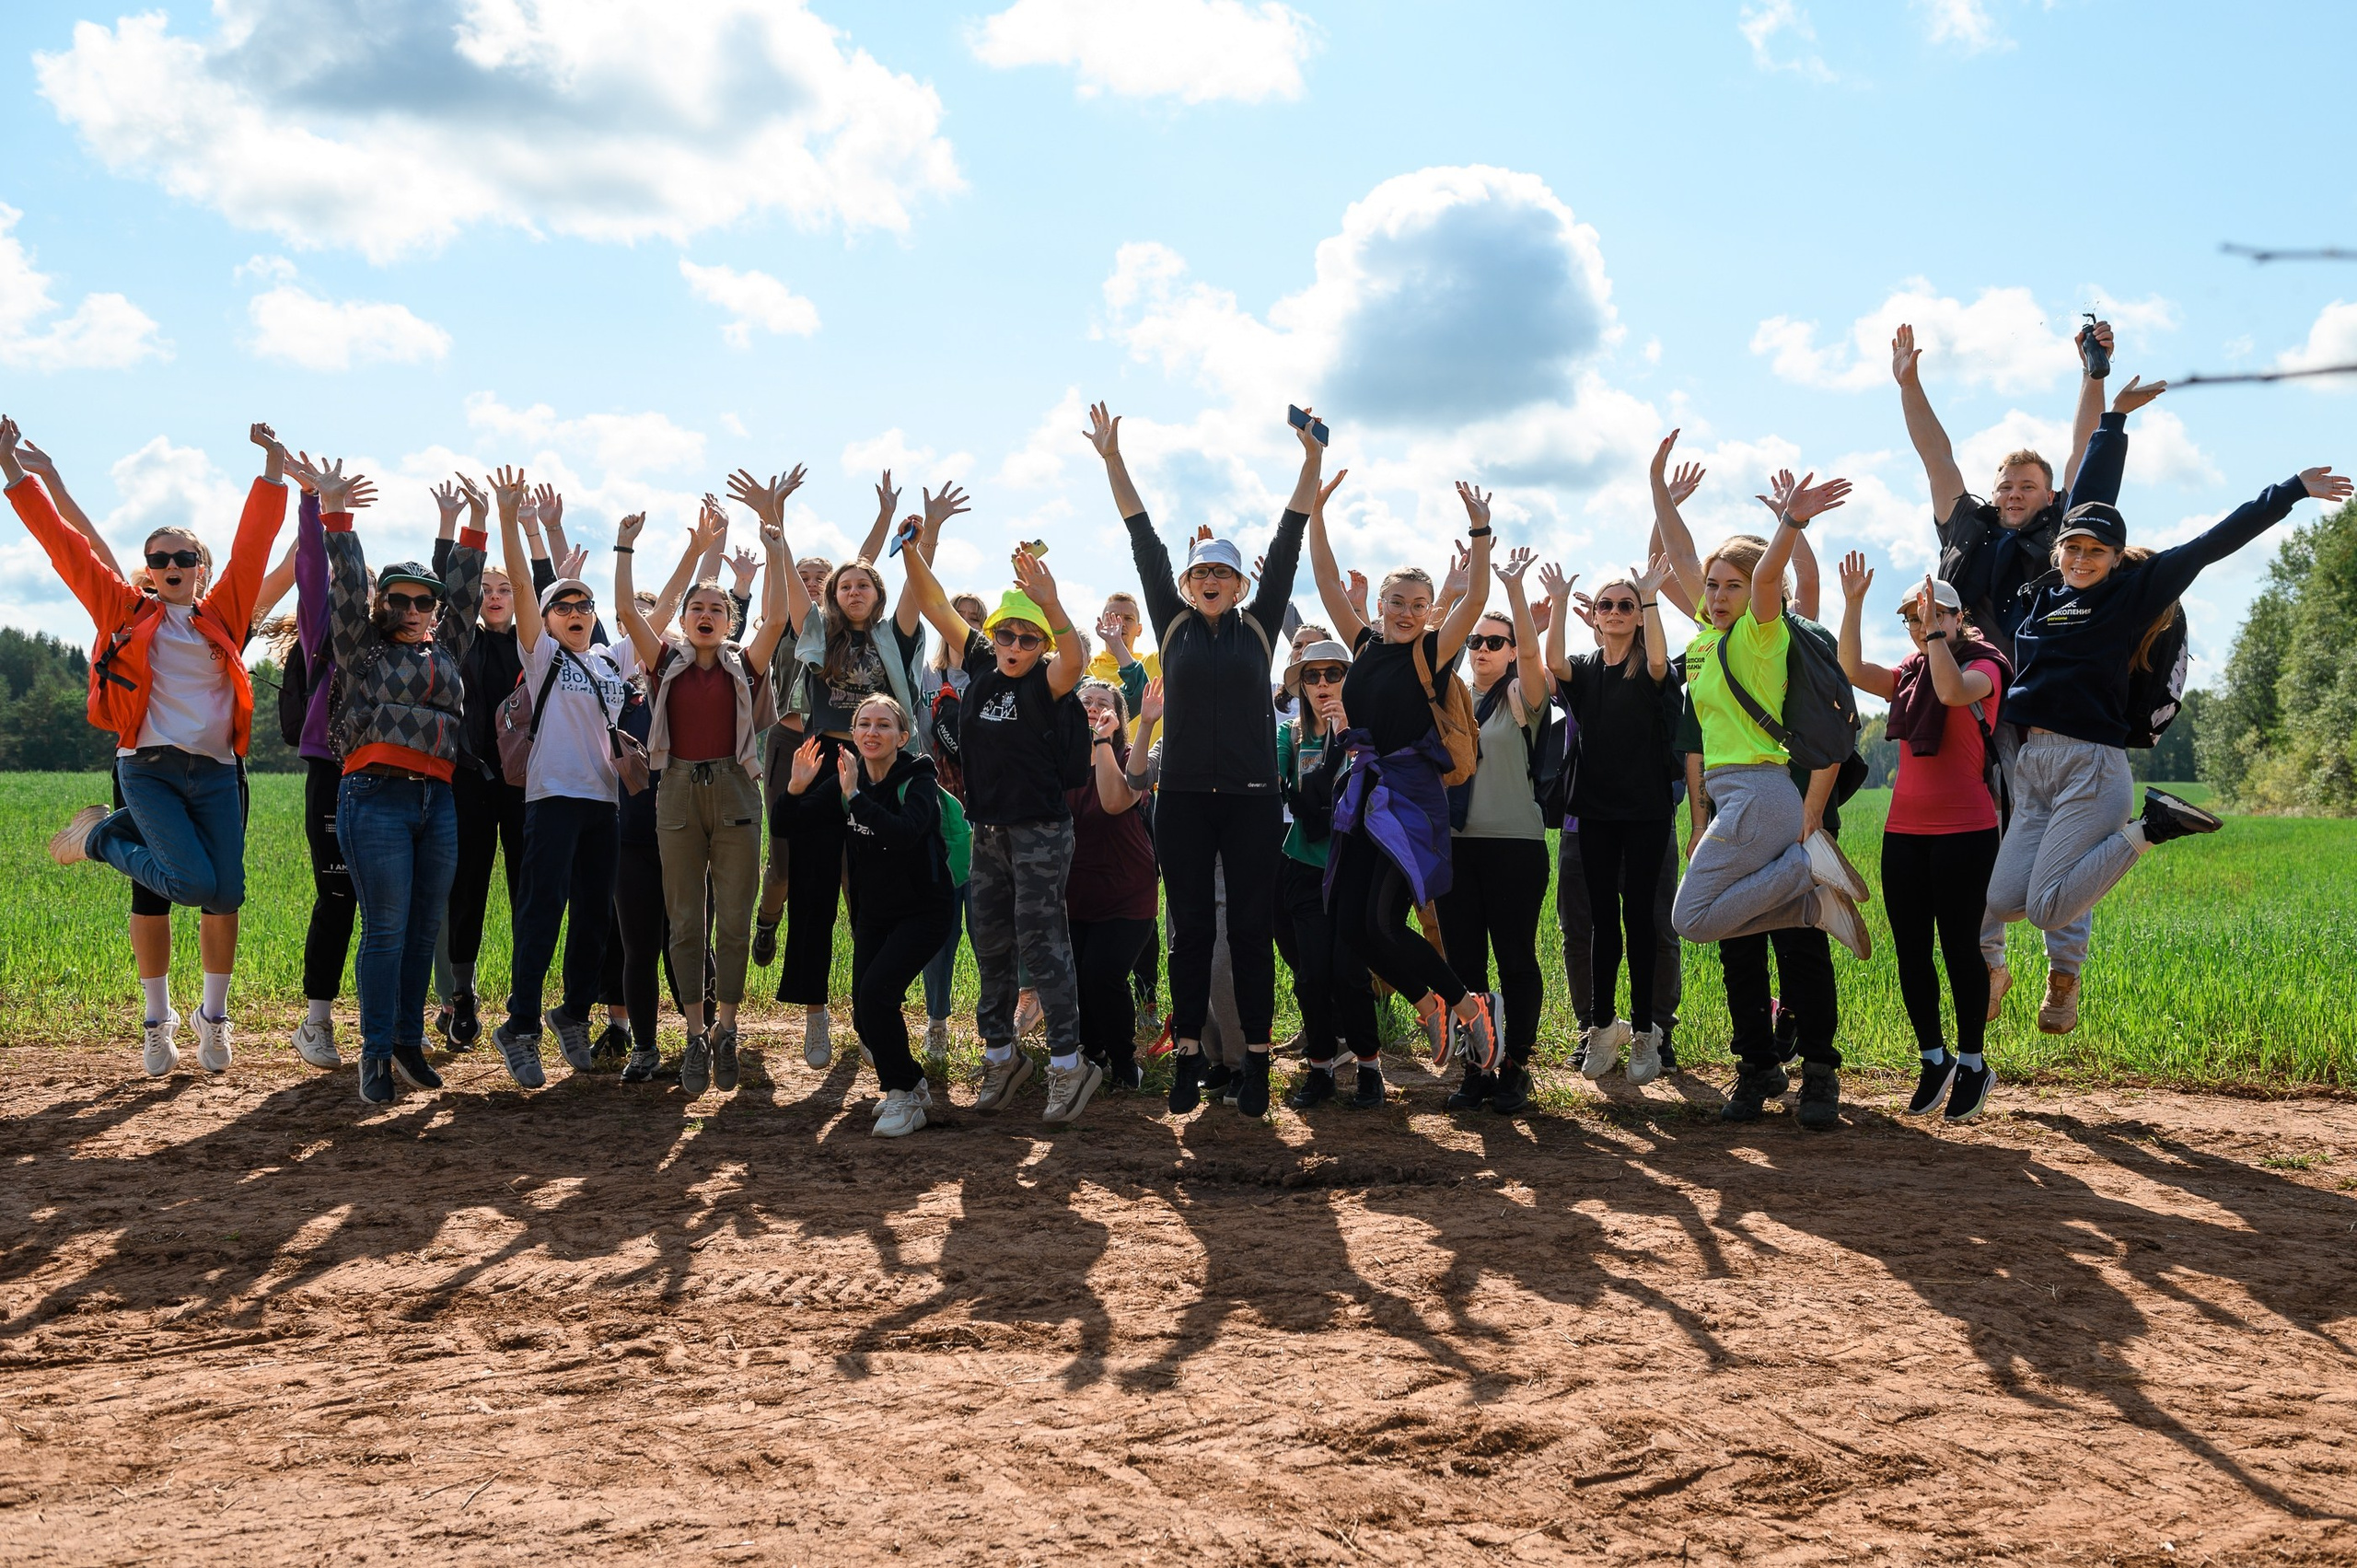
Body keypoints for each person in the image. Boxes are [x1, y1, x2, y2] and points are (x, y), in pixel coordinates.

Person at [1989, 466, 2351, 1006]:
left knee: (2046, 909)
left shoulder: (2128, 599)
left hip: (2090, 766)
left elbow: (2209, 546)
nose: (2083, 559)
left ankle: (2151, 829)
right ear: (2057, 552)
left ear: (2116, 559)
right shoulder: (2039, 603)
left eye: (2097, 551)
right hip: (2035, 765)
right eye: (2074, 548)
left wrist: (2291, 491)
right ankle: (2136, 838)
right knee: (2002, 900)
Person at [1892, 319, 2154, 1033]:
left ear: (2049, 495)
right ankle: (1990, 961)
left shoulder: (2063, 535)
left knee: (2062, 841)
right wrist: (1909, 384)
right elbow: (1936, 454)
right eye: (2006, 482)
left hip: (2050, 710)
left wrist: (2093, 375)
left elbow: (2084, 450)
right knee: (1983, 836)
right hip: (1973, 706)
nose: (2013, 491)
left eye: (2028, 484)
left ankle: (2063, 971)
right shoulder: (1967, 531)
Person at [14, 417, 291, 1077]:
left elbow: (258, 550)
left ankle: (213, 1022)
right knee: (180, 887)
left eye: (182, 558)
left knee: (226, 893)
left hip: (219, 771)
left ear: (203, 568)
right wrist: (24, 477)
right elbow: (71, 547)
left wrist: (277, 473)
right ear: (149, 569)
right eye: (158, 558)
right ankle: (103, 842)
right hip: (149, 769)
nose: (169, 566)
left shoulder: (226, 616)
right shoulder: (124, 612)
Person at [1086, 401, 1318, 1119]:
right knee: (1189, 929)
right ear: (1186, 586)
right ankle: (1187, 1056)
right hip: (1182, 798)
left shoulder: (1257, 627)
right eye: (1201, 572)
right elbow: (1144, 539)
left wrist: (1310, 459)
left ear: (1243, 584)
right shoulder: (1174, 620)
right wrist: (1113, 460)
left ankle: (1253, 1064)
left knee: (1247, 932)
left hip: (1251, 801)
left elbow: (1289, 535)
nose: (1210, 577)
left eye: (1223, 570)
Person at [1651, 433, 1865, 1131]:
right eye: (1710, 587)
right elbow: (1683, 559)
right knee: (1737, 941)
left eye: (1728, 586)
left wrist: (1790, 524)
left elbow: (1781, 583)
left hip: (1789, 804)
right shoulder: (1707, 640)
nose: (1713, 595)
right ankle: (1756, 1066)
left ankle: (1820, 1073)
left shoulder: (1765, 634)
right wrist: (1657, 484)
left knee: (1791, 951)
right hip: (1737, 802)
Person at [1306, 471, 1504, 1098]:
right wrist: (1315, 513)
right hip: (1363, 794)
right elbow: (1324, 578)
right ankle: (1430, 1002)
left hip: (1409, 798)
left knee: (1384, 923)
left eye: (1419, 605)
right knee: (1355, 926)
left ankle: (1464, 1004)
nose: (1409, 613)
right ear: (1382, 606)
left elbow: (1473, 601)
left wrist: (1480, 533)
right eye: (1399, 603)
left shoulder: (1431, 653)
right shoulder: (1363, 646)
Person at [296, 457, 487, 1104]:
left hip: (438, 799)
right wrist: (337, 516)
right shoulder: (362, 647)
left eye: (423, 599)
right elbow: (346, 584)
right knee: (385, 928)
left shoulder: (448, 647)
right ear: (383, 604)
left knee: (422, 925)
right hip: (374, 794)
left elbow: (464, 593)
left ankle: (408, 1041)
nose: (412, 608)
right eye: (399, 598)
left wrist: (476, 526)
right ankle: (374, 1054)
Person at [733, 468, 937, 1070]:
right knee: (802, 882)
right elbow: (803, 592)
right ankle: (814, 1010)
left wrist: (910, 532)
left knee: (866, 887)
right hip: (810, 757)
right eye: (831, 582)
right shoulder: (811, 626)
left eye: (853, 581)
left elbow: (895, 582)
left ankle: (870, 1016)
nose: (842, 586)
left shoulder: (883, 631)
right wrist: (777, 536)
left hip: (871, 761)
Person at [900, 529, 1096, 1122]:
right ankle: (1002, 1057)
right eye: (1006, 633)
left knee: (1043, 942)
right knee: (990, 944)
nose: (1014, 644)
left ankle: (1069, 1064)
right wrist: (911, 547)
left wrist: (1050, 601)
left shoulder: (1049, 684)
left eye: (1027, 638)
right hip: (987, 831)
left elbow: (1076, 659)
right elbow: (935, 606)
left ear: (1040, 645)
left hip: (1039, 831)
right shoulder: (981, 665)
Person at [613, 497, 791, 1098]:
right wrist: (625, 547)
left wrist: (773, 545)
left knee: (733, 922)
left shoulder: (747, 664)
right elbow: (623, 609)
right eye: (698, 607)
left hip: (738, 788)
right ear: (684, 620)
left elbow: (774, 621)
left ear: (730, 620)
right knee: (686, 923)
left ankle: (727, 1029)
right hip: (678, 789)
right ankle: (693, 1034)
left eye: (718, 607)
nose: (708, 613)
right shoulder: (662, 663)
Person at [1836, 558, 2011, 1121]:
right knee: (1911, 950)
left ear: (1960, 618)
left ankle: (1973, 1063)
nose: (1921, 623)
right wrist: (1855, 602)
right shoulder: (1910, 671)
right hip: (1904, 833)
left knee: (1961, 948)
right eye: (1912, 616)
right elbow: (1851, 668)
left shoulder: (1985, 665)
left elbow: (1954, 691)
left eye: (1933, 614)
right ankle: (1934, 1059)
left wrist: (1935, 636)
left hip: (1967, 830)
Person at [489, 465, 635, 1086]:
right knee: (541, 912)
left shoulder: (609, 660)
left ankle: (570, 1013)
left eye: (584, 604)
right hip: (551, 801)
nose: (575, 610)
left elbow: (649, 615)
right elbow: (524, 581)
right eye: (563, 604)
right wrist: (508, 515)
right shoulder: (541, 653)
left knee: (596, 920)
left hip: (603, 804)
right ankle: (519, 1025)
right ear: (546, 620)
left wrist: (696, 550)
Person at [782, 694, 958, 1137]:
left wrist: (855, 796)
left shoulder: (917, 780)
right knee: (865, 1009)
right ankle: (912, 1085)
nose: (872, 732)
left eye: (883, 725)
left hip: (924, 911)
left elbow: (903, 834)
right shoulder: (847, 780)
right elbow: (789, 825)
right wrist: (797, 787)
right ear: (854, 734)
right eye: (864, 725)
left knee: (878, 994)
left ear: (903, 736)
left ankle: (901, 1094)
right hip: (876, 914)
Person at [1542, 552, 1682, 1089]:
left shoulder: (1653, 668)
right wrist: (1557, 604)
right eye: (1609, 604)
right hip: (1594, 814)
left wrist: (1650, 595)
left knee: (1643, 922)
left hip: (1646, 814)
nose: (1617, 611)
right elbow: (1554, 662)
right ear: (1595, 615)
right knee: (1601, 923)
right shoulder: (1584, 668)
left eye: (1626, 605)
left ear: (1639, 615)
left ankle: (1646, 1033)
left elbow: (1657, 662)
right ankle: (1604, 1027)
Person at [1435, 548, 1554, 1113]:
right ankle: (1476, 1065)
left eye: (1494, 642)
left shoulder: (1521, 697)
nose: (1482, 650)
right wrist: (1457, 592)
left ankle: (1516, 1067)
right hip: (1456, 848)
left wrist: (1511, 592)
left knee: (1514, 957)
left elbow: (1533, 652)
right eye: (1476, 641)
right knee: (1463, 965)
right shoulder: (1453, 697)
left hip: (1514, 848)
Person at [284, 462, 382, 1071]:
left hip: (387, 777)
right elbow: (312, 573)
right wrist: (316, 504)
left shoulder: (390, 641)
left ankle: (389, 1026)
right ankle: (317, 1022)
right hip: (331, 771)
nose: (357, 591)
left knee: (387, 905)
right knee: (338, 895)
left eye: (366, 584)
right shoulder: (322, 632)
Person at [429, 475, 525, 1052]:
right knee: (464, 890)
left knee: (525, 890)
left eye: (504, 586)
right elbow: (449, 586)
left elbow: (548, 589)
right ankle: (460, 997)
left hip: (521, 786)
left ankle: (523, 998)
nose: (492, 594)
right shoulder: (457, 640)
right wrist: (461, 523)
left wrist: (526, 531)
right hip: (465, 782)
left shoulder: (535, 646)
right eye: (485, 586)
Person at [1271, 639, 1383, 1109]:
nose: (1322, 685)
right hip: (1303, 866)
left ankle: (1370, 1069)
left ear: (1347, 680)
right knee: (1311, 975)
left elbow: (1359, 795)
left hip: (1354, 866)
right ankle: (1320, 1070)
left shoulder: (1366, 733)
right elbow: (1296, 797)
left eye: (1333, 675)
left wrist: (1345, 736)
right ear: (1299, 685)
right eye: (1312, 677)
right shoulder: (1289, 737)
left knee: (1349, 974)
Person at [1063, 678, 1159, 1093]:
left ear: (1119, 719)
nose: (1093, 706)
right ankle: (1093, 1055)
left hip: (1126, 892)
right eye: (1085, 700)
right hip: (1074, 894)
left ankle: (1126, 1064)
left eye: (1104, 703)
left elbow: (1113, 802)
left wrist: (1102, 743)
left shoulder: (1124, 757)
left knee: (1103, 975)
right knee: (1079, 980)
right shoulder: (1057, 761)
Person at [917, 588, 988, 1062]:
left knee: (988, 926)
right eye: (956, 617)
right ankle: (937, 1022)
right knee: (940, 926)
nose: (963, 625)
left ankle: (996, 1024)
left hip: (985, 813)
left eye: (974, 619)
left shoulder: (993, 676)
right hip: (938, 815)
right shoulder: (926, 674)